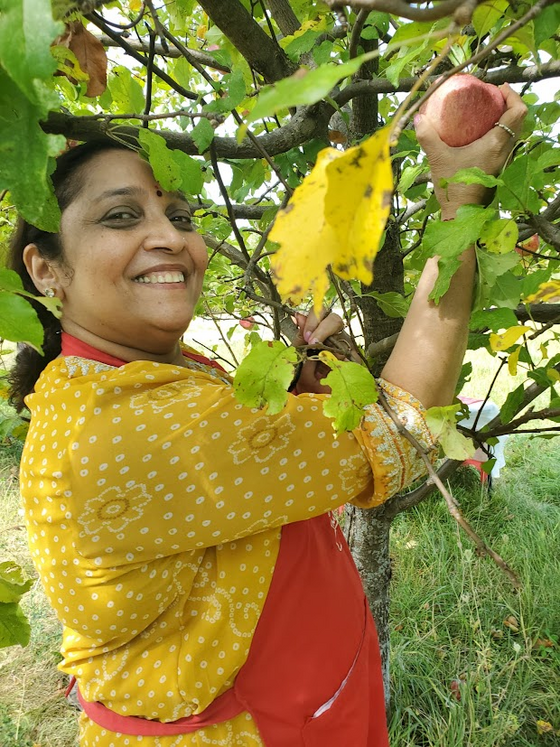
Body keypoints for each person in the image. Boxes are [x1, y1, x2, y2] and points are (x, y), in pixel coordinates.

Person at [8, 84, 526, 747]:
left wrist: (308, 391)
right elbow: (405, 426)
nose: (167, 237)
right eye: (120, 217)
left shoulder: (112, 380)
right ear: (47, 268)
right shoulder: (131, 425)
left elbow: (224, 496)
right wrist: (461, 199)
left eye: (182, 216)